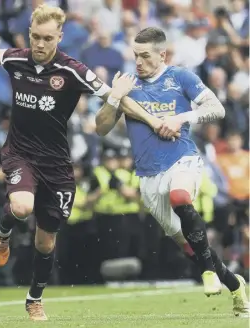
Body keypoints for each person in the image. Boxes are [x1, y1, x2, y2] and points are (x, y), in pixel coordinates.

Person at [0, 5, 178, 321]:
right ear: (29, 34)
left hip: (57, 165)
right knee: (20, 207)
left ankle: (34, 299)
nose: (40, 45)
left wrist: (153, 121)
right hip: (19, 152)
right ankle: (3, 234)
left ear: (59, 37)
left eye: (47, 38)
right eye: (35, 37)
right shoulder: (17, 59)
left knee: (45, 243)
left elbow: (115, 97)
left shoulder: (73, 70)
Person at [95, 27, 249, 317]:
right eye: (135, 56)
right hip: (149, 177)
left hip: (183, 159)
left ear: (161, 54)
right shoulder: (128, 85)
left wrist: (181, 117)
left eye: (144, 56)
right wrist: (114, 97)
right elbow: (101, 128)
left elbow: (217, 108)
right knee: (190, 245)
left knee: (180, 196)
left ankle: (207, 272)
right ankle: (234, 283)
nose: (138, 62)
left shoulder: (180, 77)